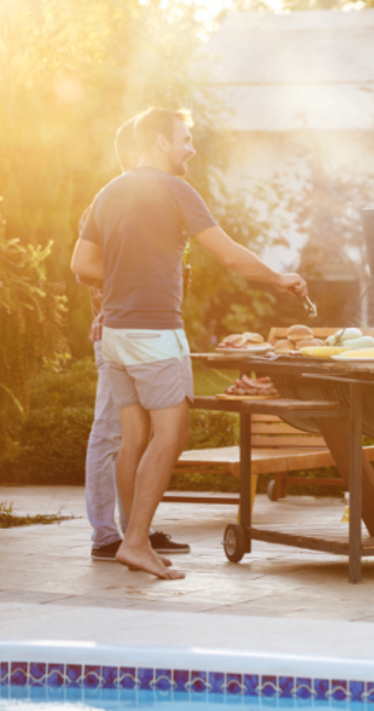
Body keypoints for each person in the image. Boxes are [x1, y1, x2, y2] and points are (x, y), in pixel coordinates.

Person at [71, 107, 307, 579]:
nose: (191, 149)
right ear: (159, 141)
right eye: (184, 140)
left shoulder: (109, 192)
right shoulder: (176, 189)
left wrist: (129, 271)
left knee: (134, 437)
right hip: (155, 333)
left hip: (115, 334)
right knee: (173, 435)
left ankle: (130, 539)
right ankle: (135, 541)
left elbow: (81, 264)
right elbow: (229, 257)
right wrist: (280, 278)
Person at [80, 118, 190, 563]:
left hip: (131, 329)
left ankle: (133, 533)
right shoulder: (115, 199)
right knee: (111, 433)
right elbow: (88, 267)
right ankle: (109, 535)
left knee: (135, 435)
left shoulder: (144, 201)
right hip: (121, 331)